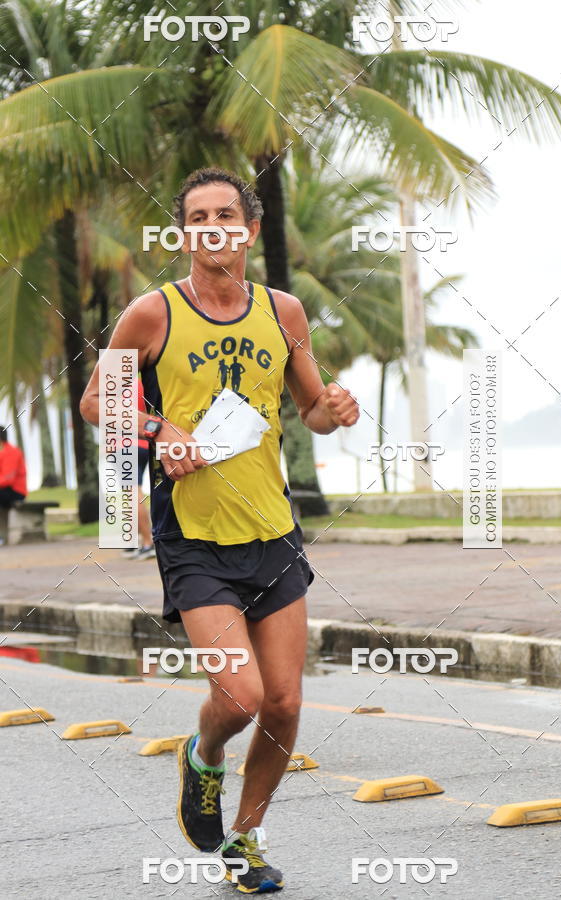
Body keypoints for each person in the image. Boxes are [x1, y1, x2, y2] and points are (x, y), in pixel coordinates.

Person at [80, 167, 359, 894]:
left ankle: (247, 839)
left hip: (273, 532)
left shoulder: (285, 313)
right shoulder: (152, 314)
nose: (213, 226)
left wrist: (336, 404)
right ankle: (204, 759)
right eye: (198, 215)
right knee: (239, 697)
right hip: (195, 537)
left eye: (226, 214)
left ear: (249, 230)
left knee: (287, 701)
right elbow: (93, 402)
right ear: (183, 233)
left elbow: (312, 411)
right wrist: (157, 425)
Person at [122, 377, 155, 560]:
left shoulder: (120, 386)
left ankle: (147, 542)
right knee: (135, 492)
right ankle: (137, 542)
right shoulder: (144, 382)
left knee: (132, 492)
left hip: (126, 445)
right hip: (146, 442)